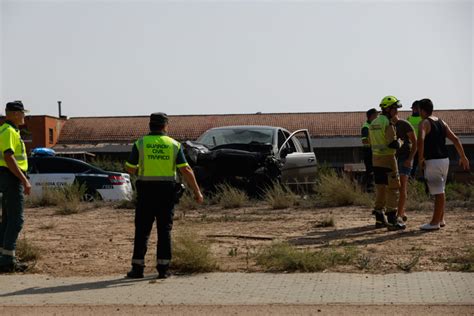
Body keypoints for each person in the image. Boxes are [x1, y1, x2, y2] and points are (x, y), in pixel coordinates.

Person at [125, 112, 203, 279]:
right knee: (164, 230)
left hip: (146, 191)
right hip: (166, 193)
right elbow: (186, 169)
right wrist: (197, 191)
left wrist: (141, 170)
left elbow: (130, 168)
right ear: (165, 126)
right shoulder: (173, 144)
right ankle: (163, 269)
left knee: (142, 230)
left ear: (150, 125)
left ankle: (137, 268)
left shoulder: (140, 143)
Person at [417, 99, 470, 230]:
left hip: (432, 161)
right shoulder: (442, 122)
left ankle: (434, 223)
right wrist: (463, 156)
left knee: (438, 192)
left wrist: (420, 159)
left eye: (419, 110)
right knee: (441, 189)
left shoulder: (424, 123)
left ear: (422, 110)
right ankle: (441, 219)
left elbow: (421, 140)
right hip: (444, 160)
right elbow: (456, 139)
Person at [0, 101, 31, 272]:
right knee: (16, 220)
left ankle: (3, 257)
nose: (24, 116)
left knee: (7, 219)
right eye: (22, 113)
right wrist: (24, 180)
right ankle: (7, 260)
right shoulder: (9, 131)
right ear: (13, 113)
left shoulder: (7, 130)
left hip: (7, 177)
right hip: (11, 178)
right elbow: (9, 157)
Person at [368, 96, 405, 230]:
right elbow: (392, 143)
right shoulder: (388, 123)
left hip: (376, 159)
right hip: (388, 159)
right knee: (393, 188)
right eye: (395, 108)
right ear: (388, 109)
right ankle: (392, 219)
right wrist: (401, 142)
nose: (397, 111)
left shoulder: (373, 123)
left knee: (380, 188)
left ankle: (379, 218)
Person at [392, 112, 417, 222]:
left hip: (405, 158)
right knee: (396, 186)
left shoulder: (404, 124)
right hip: (394, 159)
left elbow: (415, 142)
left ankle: (398, 215)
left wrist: (410, 159)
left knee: (402, 186)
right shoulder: (389, 126)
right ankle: (402, 212)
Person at [361, 108, 379, 192]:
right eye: (376, 115)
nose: (378, 117)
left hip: (374, 151)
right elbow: (364, 140)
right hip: (369, 151)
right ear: (372, 116)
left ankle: (366, 188)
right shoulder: (366, 127)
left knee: (373, 171)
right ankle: (369, 190)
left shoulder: (373, 125)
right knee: (370, 172)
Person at [407, 100, 422, 177]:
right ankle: (411, 177)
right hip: (411, 145)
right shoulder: (408, 119)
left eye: (416, 108)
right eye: (413, 108)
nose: (414, 110)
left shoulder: (423, 119)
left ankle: (414, 177)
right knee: (411, 162)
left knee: (418, 162)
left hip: (420, 145)